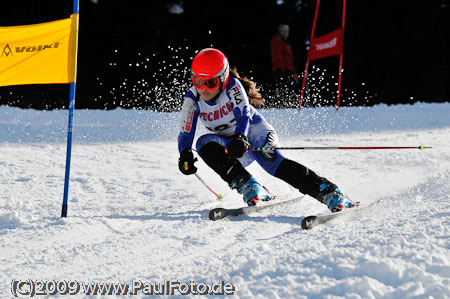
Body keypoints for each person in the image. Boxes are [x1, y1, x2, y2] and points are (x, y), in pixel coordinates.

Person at [177, 48, 356, 212]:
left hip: (254, 133)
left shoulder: (232, 87)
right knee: (203, 144)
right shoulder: (193, 97)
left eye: (210, 82)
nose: (203, 88)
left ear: (223, 78)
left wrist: (241, 137)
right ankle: (249, 185)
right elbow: (186, 130)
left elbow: (243, 116)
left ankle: (330, 192)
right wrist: (184, 153)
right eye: (198, 81)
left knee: (271, 162)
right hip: (231, 145)